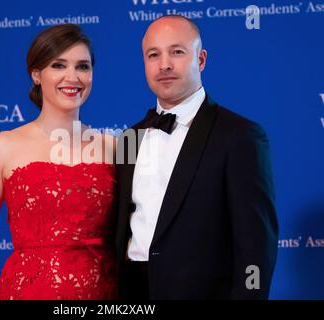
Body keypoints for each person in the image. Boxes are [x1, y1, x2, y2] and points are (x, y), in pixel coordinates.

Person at [115, 15, 279, 299]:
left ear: (201, 60)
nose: (164, 64)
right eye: (153, 55)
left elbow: (256, 245)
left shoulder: (239, 135)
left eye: (177, 52)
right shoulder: (130, 137)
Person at [0, 24, 117, 300]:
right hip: (26, 292)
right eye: (59, 65)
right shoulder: (3, 147)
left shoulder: (113, 147)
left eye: (82, 67)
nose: (72, 77)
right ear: (36, 74)